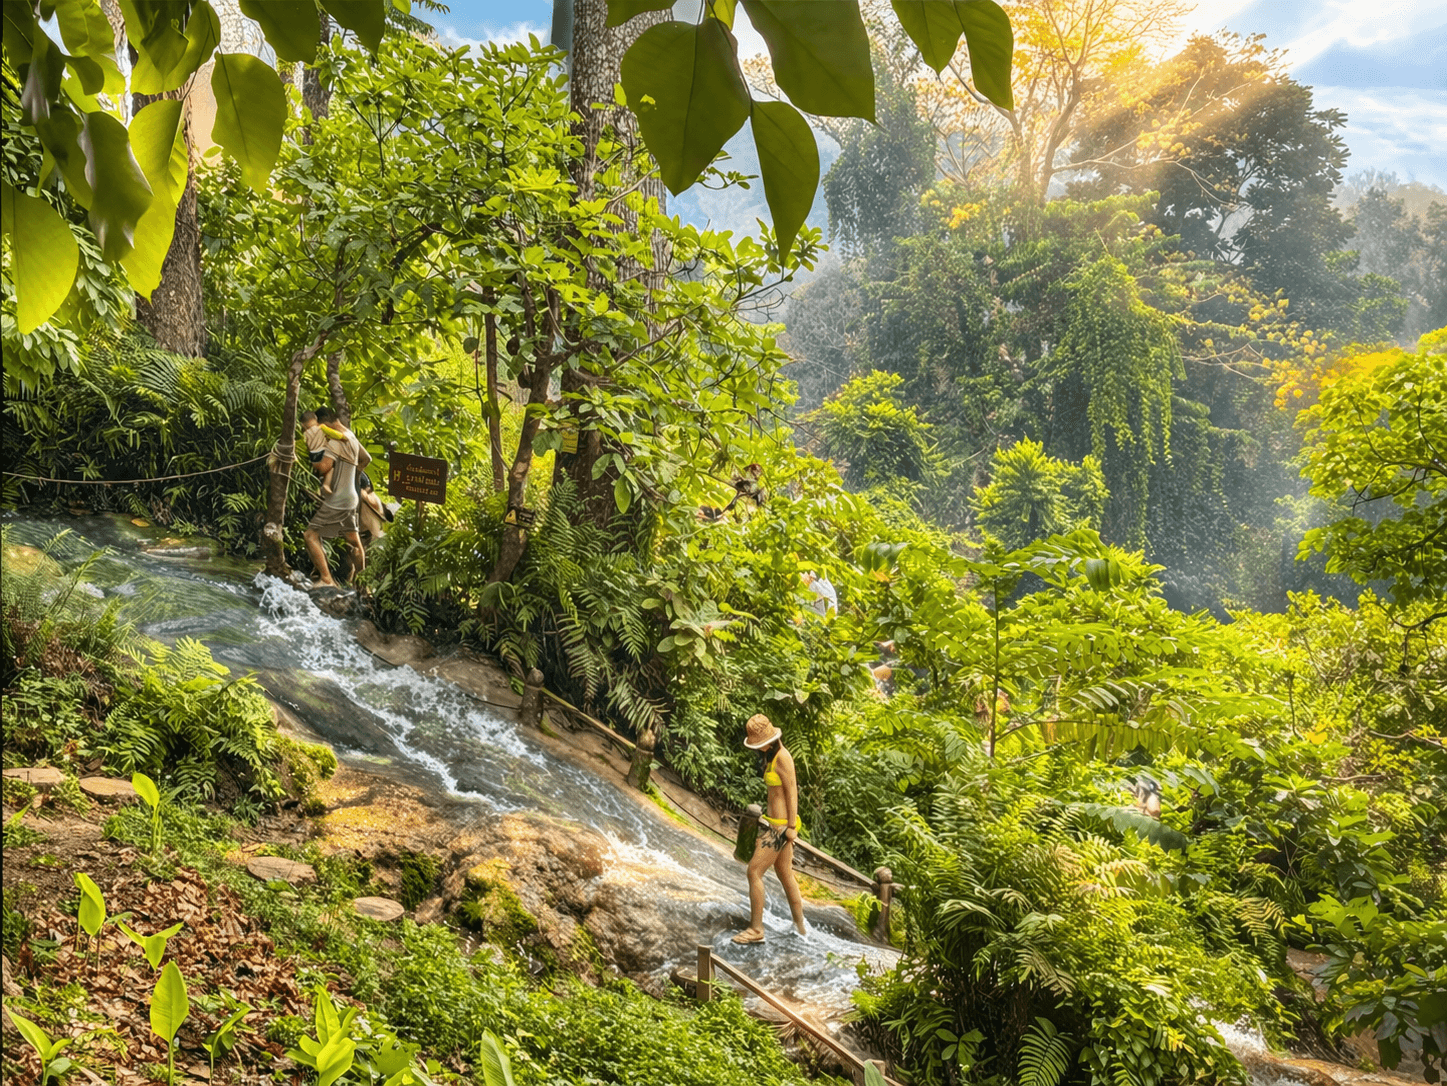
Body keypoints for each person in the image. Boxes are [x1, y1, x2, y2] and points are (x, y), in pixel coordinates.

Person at [733, 713, 807, 944]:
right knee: (785, 873)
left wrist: (791, 827)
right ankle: (801, 927)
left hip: (781, 828)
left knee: (754, 871)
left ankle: (757, 929)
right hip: (775, 823)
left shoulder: (783, 757)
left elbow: (792, 791)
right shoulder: (772, 757)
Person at [303, 416, 372, 587]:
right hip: (351, 497)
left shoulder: (335, 442)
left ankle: (326, 579)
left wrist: (314, 448)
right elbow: (366, 459)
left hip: (338, 499)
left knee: (310, 535)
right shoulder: (351, 438)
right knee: (354, 541)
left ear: (324, 424)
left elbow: (323, 467)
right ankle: (363, 585)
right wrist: (353, 477)